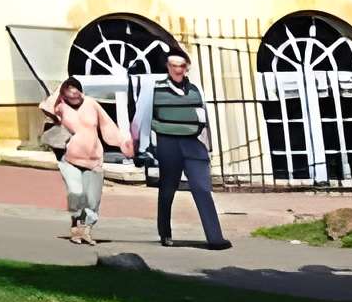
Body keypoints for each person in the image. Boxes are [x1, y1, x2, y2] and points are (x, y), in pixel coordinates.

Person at [144, 48, 230, 249]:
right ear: (167, 67)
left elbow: (205, 118)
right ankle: (165, 233)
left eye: (181, 66)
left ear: (187, 67)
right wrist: (141, 145)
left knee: (202, 188)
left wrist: (208, 145)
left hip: (193, 141)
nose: (177, 70)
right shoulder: (155, 88)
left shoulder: (195, 89)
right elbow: (143, 117)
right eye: (173, 65)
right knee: (168, 188)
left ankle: (215, 237)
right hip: (168, 141)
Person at [38, 76, 133, 246]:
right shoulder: (60, 106)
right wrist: (61, 87)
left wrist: (122, 143)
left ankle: (86, 229)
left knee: (92, 199)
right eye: (70, 93)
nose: (75, 96)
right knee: (76, 193)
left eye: (77, 91)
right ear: (64, 94)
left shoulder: (91, 104)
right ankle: (76, 226)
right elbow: (45, 107)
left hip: (94, 159)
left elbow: (107, 125)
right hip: (69, 159)